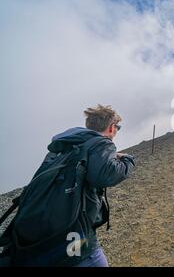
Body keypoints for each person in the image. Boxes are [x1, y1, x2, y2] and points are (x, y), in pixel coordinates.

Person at [1, 104, 135, 267]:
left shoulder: (66, 146)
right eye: (118, 127)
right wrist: (128, 159)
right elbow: (106, 176)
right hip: (74, 237)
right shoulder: (101, 143)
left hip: (43, 233)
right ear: (112, 127)